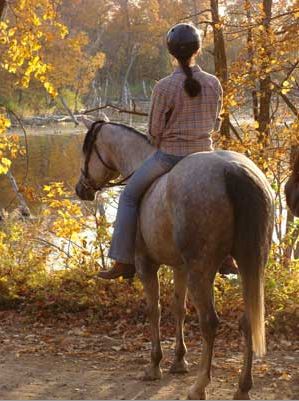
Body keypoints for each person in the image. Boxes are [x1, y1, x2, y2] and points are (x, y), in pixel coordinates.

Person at [99, 22, 236, 280]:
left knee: (128, 196)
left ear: (171, 53)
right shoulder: (214, 83)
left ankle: (123, 261)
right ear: (198, 49)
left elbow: (154, 132)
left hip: (170, 157)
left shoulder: (164, 87)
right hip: (206, 155)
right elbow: (216, 123)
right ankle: (228, 256)